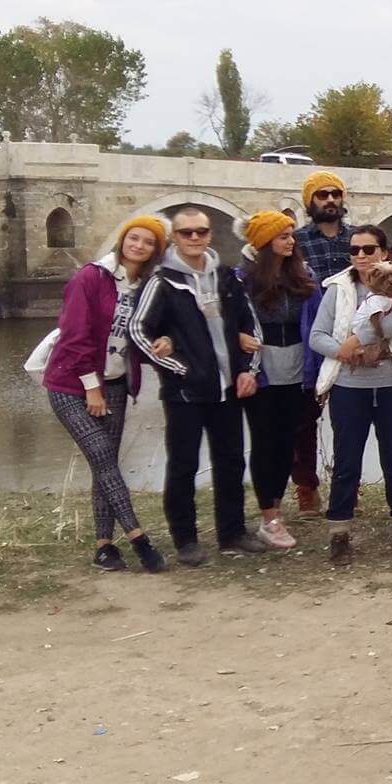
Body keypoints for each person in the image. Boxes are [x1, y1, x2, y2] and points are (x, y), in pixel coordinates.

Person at [133, 205, 262, 566]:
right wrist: (178, 368)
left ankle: (232, 532)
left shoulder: (226, 278)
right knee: (183, 465)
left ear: (209, 235)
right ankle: (186, 539)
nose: (194, 238)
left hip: (228, 388)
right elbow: (139, 331)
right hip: (185, 392)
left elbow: (251, 327)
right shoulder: (162, 282)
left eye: (201, 232)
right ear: (174, 237)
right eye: (186, 232)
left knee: (231, 462)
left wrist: (248, 369)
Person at [43, 214, 170, 573]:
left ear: (154, 251)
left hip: (115, 384)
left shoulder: (146, 287)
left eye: (148, 242)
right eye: (135, 238)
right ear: (123, 239)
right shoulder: (91, 278)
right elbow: (75, 337)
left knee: (105, 465)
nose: (139, 246)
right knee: (101, 455)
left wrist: (165, 340)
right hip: (71, 385)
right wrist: (91, 389)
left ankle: (103, 546)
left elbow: (149, 330)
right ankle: (138, 538)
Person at [307, 224, 392, 564]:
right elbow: (316, 336)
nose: (360, 255)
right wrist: (344, 351)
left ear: (383, 253)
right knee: (347, 460)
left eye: (369, 249)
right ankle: (339, 533)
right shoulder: (337, 289)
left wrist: (355, 337)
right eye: (355, 250)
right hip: (350, 387)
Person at [236, 210, 315, 551]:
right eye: (283, 236)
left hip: (297, 371)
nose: (291, 241)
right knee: (265, 442)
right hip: (261, 373)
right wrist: (239, 342)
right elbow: (230, 324)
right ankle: (269, 515)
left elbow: (316, 319)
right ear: (265, 242)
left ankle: (276, 509)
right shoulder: (242, 280)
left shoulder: (303, 274)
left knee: (287, 444)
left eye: (291, 235)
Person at [289, 170, 352, 514]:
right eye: (322, 195)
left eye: (334, 194)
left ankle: (347, 483)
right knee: (304, 420)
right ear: (310, 202)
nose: (329, 200)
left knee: (348, 417)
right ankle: (306, 487)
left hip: (350, 339)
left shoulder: (357, 240)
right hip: (308, 337)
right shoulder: (295, 242)